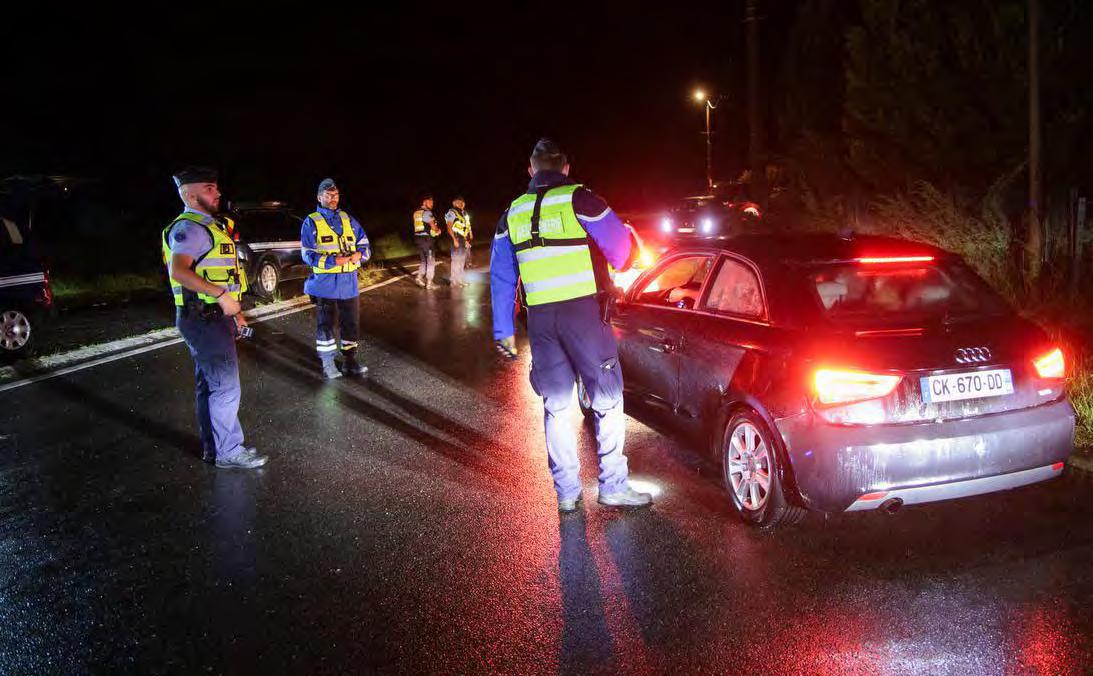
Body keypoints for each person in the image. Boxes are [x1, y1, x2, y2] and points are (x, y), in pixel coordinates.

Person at [490, 138, 651, 512]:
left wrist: (503, 330)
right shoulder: (582, 199)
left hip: (541, 322)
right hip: (584, 315)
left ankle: (566, 493)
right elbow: (623, 255)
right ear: (565, 168)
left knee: (557, 405)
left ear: (531, 170)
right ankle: (612, 486)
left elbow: (501, 276)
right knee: (607, 398)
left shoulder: (511, 213)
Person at [162, 166, 268, 469]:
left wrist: (237, 315)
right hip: (204, 319)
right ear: (189, 195)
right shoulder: (190, 228)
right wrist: (221, 296)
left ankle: (214, 449)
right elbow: (179, 271)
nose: (217, 192)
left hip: (213, 318)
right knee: (225, 387)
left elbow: (225, 277)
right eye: (209, 188)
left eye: (216, 187)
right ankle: (229, 451)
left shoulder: (210, 227)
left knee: (211, 386)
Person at [300, 178, 371, 379]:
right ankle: (328, 363)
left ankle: (350, 361)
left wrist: (360, 255)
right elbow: (307, 254)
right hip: (325, 285)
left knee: (351, 324)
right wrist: (334, 261)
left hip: (349, 284)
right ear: (319, 197)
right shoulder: (311, 221)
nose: (333, 198)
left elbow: (365, 245)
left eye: (336, 195)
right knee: (326, 325)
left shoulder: (348, 219)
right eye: (329, 195)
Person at [412, 195, 440, 288]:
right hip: (427, 240)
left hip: (418, 239)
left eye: (432, 202)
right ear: (424, 202)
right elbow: (432, 225)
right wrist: (437, 230)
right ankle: (429, 282)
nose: (432, 204)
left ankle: (419, 278)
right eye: (430, 202)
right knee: (431, 260)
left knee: (424, 260)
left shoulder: (416, 212)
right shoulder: (427, 212)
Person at [445, 195, 472, 287]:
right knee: (456, 260)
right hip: (455, 238)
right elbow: (449, 227)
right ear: (454, 203)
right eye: (459, 202)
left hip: (461, 239)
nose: (461, 204)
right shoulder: (452, 212)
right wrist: (454, 239)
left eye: (462, 202)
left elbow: (463, 229)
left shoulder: (462, 214)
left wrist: (465, 240)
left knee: (461, 260)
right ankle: (453, 281)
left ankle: (460, 280)